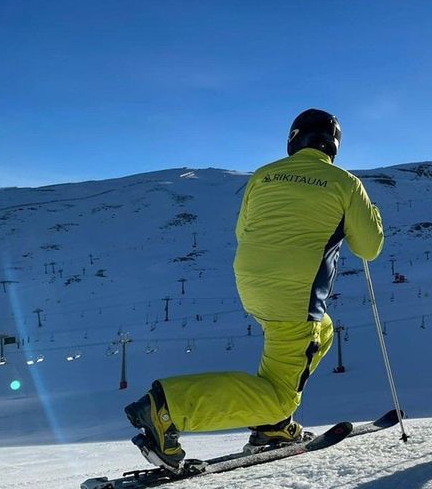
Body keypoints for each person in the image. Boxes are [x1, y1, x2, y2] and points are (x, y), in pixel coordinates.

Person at [124, 109, 384, 471]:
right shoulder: (346, 183)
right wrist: (372, 216)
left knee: (322, 330)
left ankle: (272, 426)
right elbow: (369, 248)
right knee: (280, 396)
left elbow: (242, 230)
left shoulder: (264, 175)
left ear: (294, 139)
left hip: (253, 285)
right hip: (297, 297)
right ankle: (169, 409)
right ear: (334, 146)